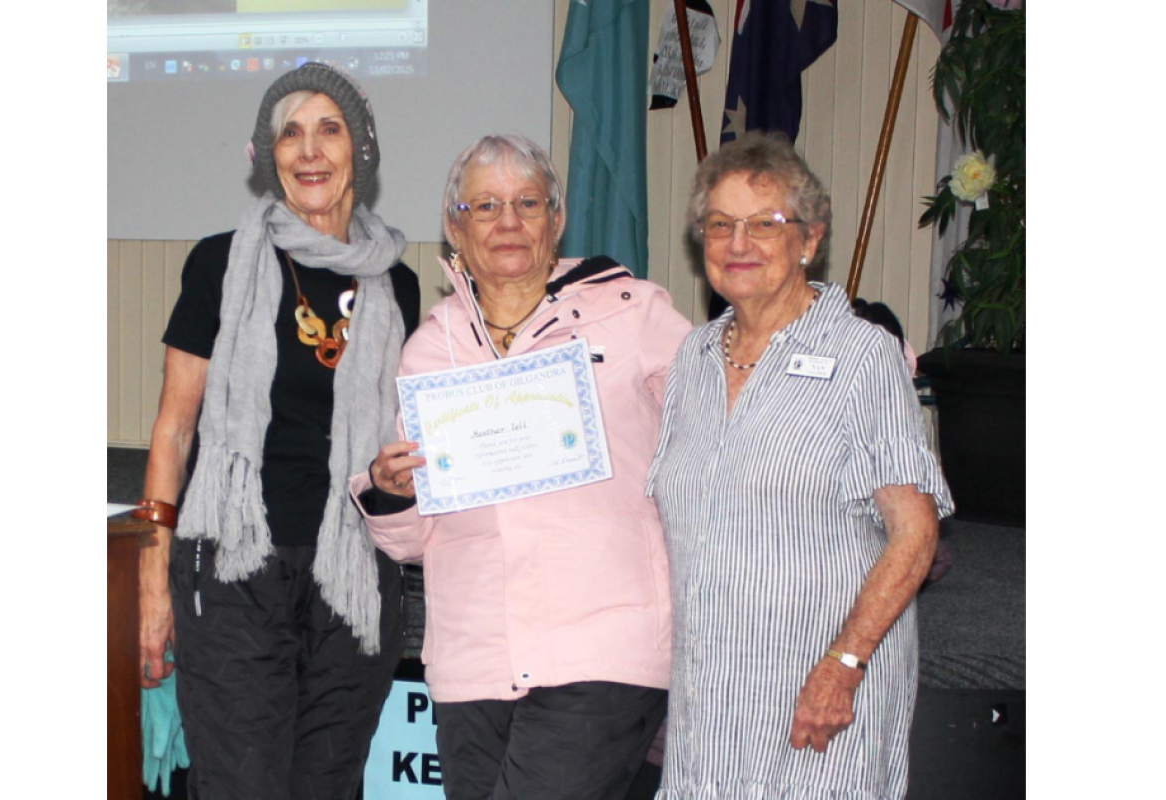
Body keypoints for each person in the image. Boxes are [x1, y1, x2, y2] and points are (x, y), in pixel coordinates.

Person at [352, 134, 693, 800]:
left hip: (602, 645)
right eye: (485, 206)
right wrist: (391, 491)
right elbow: (412, 542)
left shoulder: (632, 312)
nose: (508, 222)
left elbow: (728, 402)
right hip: (472, 658)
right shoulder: (430, 347)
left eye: (527, 202)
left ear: (556, 218)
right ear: (455, 225)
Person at [135, 63, 420, 800]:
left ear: (360, 148)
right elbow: (172, 432)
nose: (310, 149)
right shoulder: (218, 264)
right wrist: (152, 583)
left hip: (353, 577)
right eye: (289, 132)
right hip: (232, 572)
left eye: (329, 129)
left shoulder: (399, 284)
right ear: (269, 157)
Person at [646, 131, 954, 799]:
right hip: (709, 709)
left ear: (809, 240)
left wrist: (845, 663)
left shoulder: (863, 356)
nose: (738, 244)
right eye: (721, 224)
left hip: (818, 704)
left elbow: (915, 533)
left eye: (765, 224)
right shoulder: (691, 362)